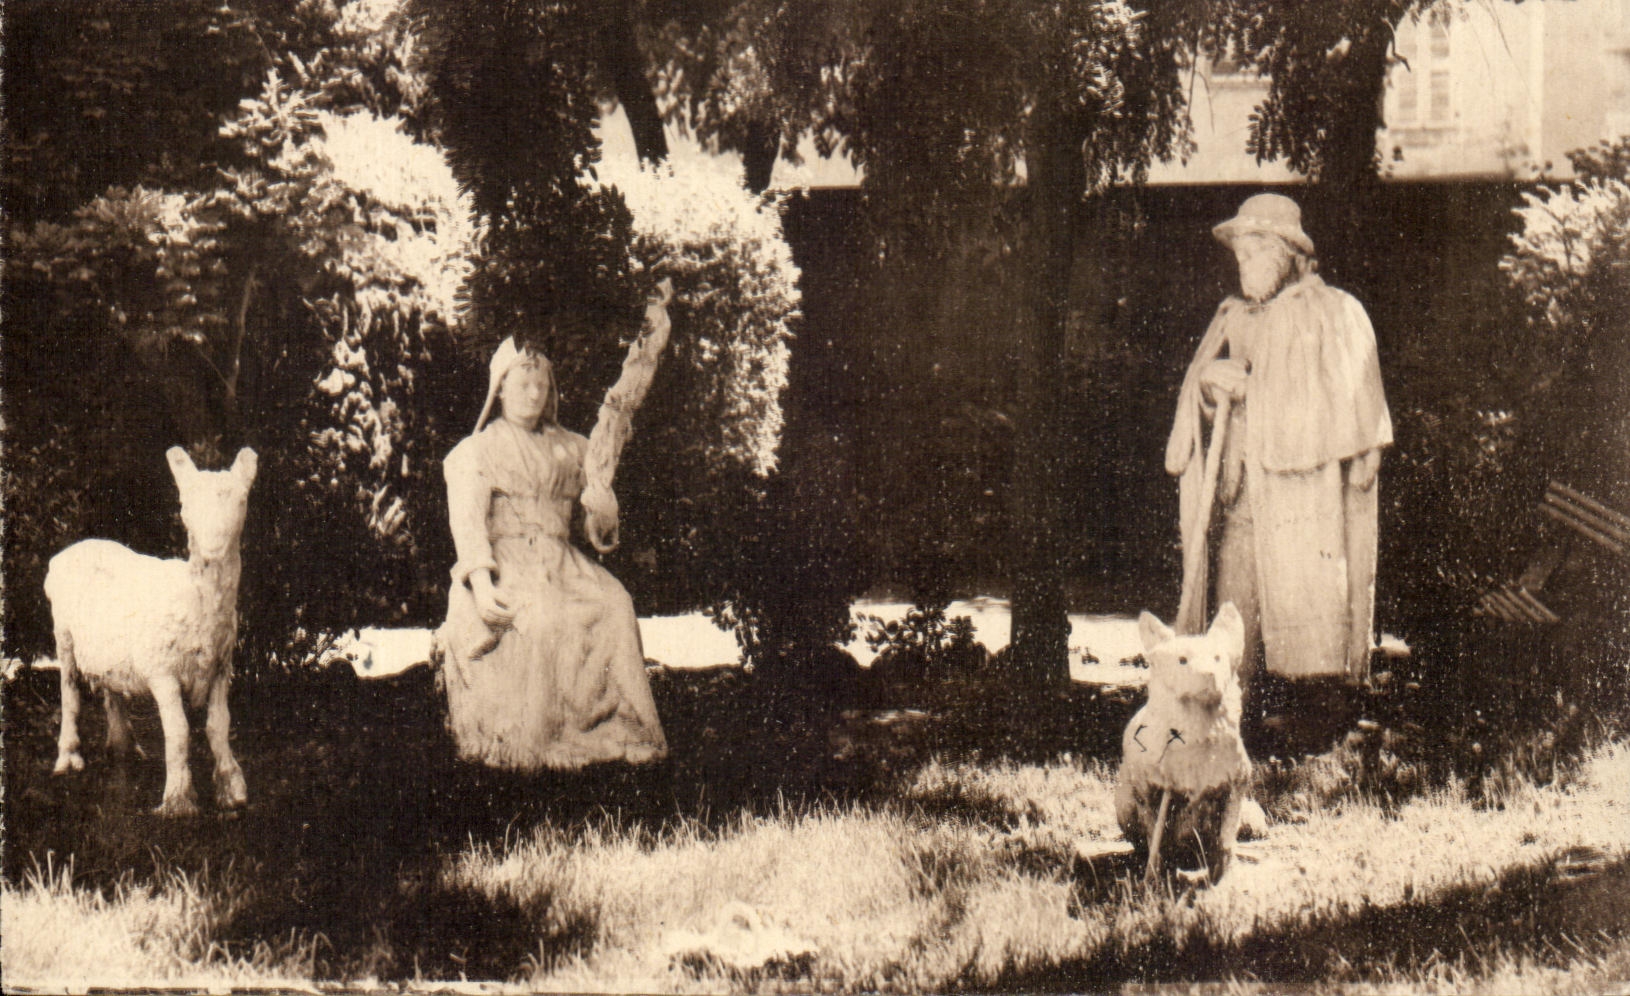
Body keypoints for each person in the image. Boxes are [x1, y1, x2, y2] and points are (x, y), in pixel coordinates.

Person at [1165, 193, 1392, 733]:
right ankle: (1234, 716)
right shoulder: (1233, 316)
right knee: (1235, 604)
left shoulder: (1333, 313)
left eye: (1257, 250)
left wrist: (1253, 390)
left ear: (1290, 252)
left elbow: (1352, 406)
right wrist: (1206, 385)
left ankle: (1317, 718)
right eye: (1240, 254)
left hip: (1303, 496)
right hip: (1240, 490)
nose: (1245, 263)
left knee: (1307, 600)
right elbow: (1195, 392)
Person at [436, 338, 667, 771]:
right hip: (507, 563)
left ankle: (623, 729)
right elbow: (467, 523)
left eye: (542, 383)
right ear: (500, 389)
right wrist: (482, 587)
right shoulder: (477, 451)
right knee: (540, 619)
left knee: (616, 605)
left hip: (564, 563)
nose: (534, 392)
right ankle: (537, 741)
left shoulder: (575, 450)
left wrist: (603, 512)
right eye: (523, 382)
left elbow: (592, 529)